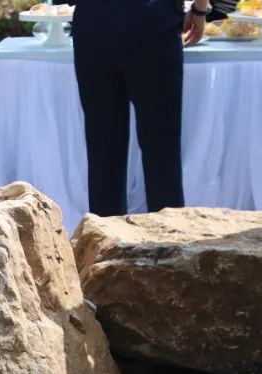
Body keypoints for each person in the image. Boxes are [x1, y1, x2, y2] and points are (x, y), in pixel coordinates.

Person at [72, 0, 209, 217]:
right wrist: (200, 10)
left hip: (94, 21)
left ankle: (104, 241)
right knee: (160, 146)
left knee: (103, 146)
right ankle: (168, 240)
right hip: (151, 21)